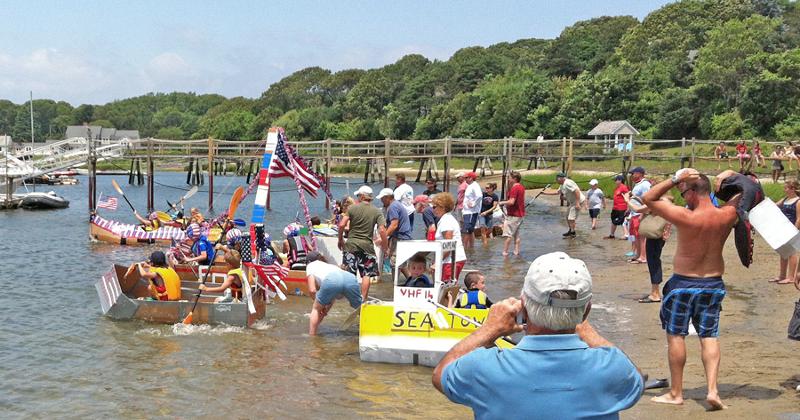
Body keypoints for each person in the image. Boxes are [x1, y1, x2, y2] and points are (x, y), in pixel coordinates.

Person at [433, 252, 643, 418]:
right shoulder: (612, 367)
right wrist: (583, 328)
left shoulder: (484, 366)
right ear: (586, 310)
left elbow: (440, 375)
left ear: (523, 307)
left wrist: (490, 329)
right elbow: (636, 379)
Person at [643, 168, 738, 410]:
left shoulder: (686, 216)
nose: (682, 196)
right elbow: (749, 190)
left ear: (693, 192)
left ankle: (676, 393)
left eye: (683, 192)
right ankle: (713, 391)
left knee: (676, 335)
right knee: (709, 336)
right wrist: (728, 175)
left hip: (684, 284)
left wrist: (676, 178)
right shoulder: (727, 214)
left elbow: (649, 199)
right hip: (713, 284)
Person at [338, 185, 388, 294]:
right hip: (367, 246)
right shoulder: (377, 211)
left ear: (361, 197)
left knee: (349, 274)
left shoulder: (352, 208)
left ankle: (350, 298)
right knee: (367, 274)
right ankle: (363, 299)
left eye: (357, 196)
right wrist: (385, 246)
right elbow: (382, 230)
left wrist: (340, 240)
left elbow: (341, 225)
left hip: (351, 245)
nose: (356, 198)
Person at [627, 193, 674, 303]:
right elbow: (646, 206)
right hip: (660, 235)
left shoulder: (658, 203)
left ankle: (655, 293)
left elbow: (638, 209)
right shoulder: (667, 202)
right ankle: (655, 291)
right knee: (655, 261)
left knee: (653, 262)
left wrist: (627, 200)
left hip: (654, 236)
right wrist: (636, 197)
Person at [305, 251, 365, 335]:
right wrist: (325, 308)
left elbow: (312, 290)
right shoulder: (330, 266)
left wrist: (319, 305)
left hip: (332, 280)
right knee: (361, 309)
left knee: (316, 309)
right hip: (350, 277)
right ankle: (372, 330)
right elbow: (332, 296)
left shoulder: (310, 266)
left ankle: (312, 338)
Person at [431, 193, 467, 283]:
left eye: (434, 207)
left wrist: (437, 262)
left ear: (442, 207)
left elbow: (449, 245)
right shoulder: (446, 219)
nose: (433, 209)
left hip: (451, 260)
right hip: (453, 258)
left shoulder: (446, 221)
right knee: (448, 287)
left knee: (446, 288)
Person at [541, 172, 585, 238]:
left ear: (561, 178)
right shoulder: (562, 185)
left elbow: (577, 191)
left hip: (577, 201)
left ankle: (573, 233)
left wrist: (577, 203)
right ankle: (571, 230)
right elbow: (557, 192)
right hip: (573, 202)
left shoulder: (568, 183)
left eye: (557, 178)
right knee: (567, 217)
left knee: (571, 218)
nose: (556, 180)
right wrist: (545, 193)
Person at [774, 180, 800, 285]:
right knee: (783, 251)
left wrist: (794, 230)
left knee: (791, 253)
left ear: (793, 189)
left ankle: (791, 277)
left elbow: (799, 218)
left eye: (786, 188)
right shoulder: (785, 199)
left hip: (792, 229)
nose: (784, 190)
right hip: (783, 229)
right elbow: (774, 206)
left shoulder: (798, 201)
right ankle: (782, 275)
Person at [377, 187, 412, 265]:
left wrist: (383, 237)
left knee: (395, 263)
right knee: (401, 264)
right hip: (403, 237)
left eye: (382, 198)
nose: (381, 200)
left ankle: (395, 277)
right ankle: (408, 277)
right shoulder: (397, 204)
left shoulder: (393, 207)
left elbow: (394, 225)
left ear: (387, 198)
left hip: (400, 238)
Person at [498, 171, 525, 256]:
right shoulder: (521, 187)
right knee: (516, 234)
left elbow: (511, 202)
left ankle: (505, 252)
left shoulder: (515, 188)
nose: (508, 179)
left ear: (515, 179)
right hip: (520, 214)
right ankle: (516, 251)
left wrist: (501, 203)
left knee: (508, 234)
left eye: (509, 177)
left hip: (514, 215)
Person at [628, 166, 651, 264]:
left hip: (640, 214)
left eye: (633, 173)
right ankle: (638, 255)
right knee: (635, 236)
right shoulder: (637, 184)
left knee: (641, 236)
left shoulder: (645, 185)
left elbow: (647, 200)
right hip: (634, 213)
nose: (631, 175)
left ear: (639, 174)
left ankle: (643, 257)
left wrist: (643, 213)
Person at [461, 172, 482, 248]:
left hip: (471, 212)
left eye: (466, 178)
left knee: (467, 230)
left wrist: (473, 204)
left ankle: (464, 248)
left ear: (471, 178)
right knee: (470, 230)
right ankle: (471, 248)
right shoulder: (470, 186)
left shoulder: (475, 186)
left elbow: (479, 196)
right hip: (467, 211)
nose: (465, 179)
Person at [606, 175, 629, 239]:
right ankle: (612, 235)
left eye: (616, 180)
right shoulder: (617, 188)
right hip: (615, 208)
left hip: (622, 208)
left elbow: (627, 197)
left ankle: (626, 235)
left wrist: (628, 208)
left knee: (622, 221)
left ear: (620, 180)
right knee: (613, 221)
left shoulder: (624, 187)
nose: (615, 182)